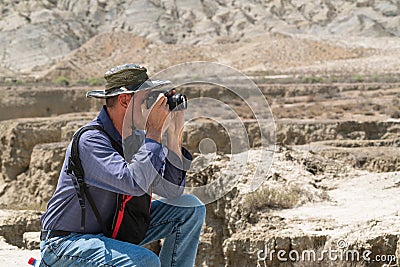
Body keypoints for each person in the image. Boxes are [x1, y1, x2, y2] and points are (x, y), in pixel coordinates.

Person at [39, 63, 206, 267]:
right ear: (125, 100)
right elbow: (133, 183)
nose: (151, 107)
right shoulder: (91, 140)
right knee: (145, 261)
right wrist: (154, 131)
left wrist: (173, 134)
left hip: (111, 233)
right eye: (146, 100)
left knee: (190, 208)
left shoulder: (136, 139)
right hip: (66, 243)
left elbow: (172, 190)